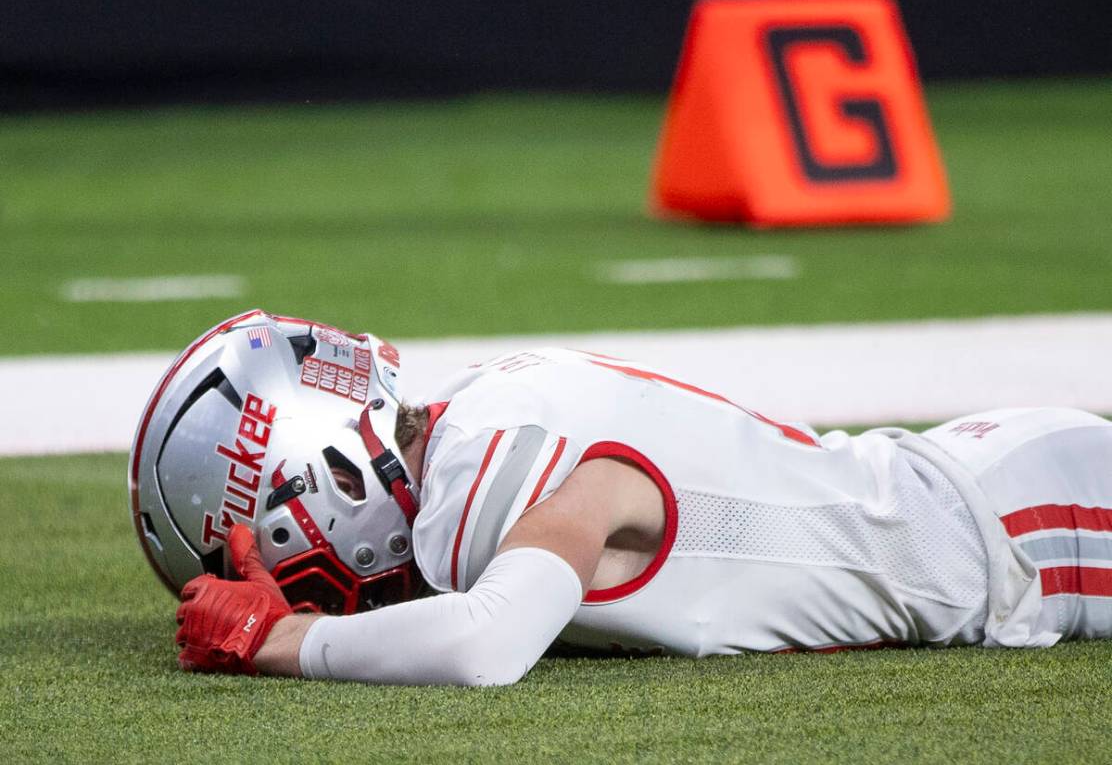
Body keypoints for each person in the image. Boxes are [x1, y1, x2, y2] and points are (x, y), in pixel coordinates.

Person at [131, 310, 1112, 686]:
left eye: (269, 561)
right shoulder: (479, 413)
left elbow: (483, 644)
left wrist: (278, 642)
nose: (284, 589)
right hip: (987, 484)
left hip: (1022, 526)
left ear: (324, 482)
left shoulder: (493, 466)